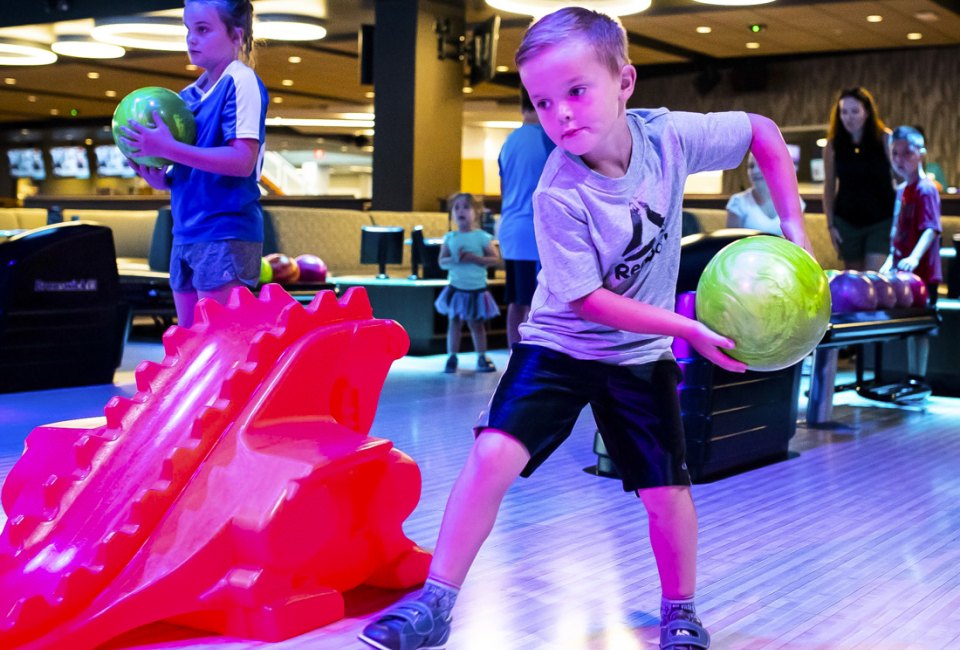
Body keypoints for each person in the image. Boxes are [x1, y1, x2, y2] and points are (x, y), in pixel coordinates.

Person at [359, 7, 812, 650]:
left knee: (665, 490)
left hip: (640, 353)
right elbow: (590, 304)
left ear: (624, 82)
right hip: (561, 343)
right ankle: (435, 603)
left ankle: (680, 610)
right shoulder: (557, 193)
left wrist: (793, 231)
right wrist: (689, 327)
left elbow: (763, 132)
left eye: (576, 91)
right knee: (492, 454)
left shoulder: (670, 138)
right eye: (543, 102)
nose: (561, 114)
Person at [117, 0, 268, 328]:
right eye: (188, 29)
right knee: (188, 346)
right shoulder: (185, 97)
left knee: (219, 347)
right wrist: (163, 179)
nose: (191, 39)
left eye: (202, 29)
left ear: (236, 35)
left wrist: (169, 148)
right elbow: (191, 167)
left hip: (226, 231)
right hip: (185, 231)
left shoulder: (241, 82)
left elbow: (243, 160)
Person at [879, 125, 942, 387]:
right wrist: (888, 261)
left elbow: (931, 228)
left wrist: (915, 258)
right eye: (895, 153)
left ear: (920, 154)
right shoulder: (901, 191)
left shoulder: (926, 189)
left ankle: (918, 375)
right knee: (908, 324)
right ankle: (908, 376)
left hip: (923, 273)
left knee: (920, 328)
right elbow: (897, 231)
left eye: (907, 153)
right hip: (902, 271)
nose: (900, 159)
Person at [497, 86, 555, 347]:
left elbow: (504, 191)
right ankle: (532, 358)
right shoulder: (549, 138)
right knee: (537, 303)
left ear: (522, 107)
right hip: (535, 233)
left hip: (510, 230)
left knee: (517, 300)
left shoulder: (509, 142)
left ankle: (514, 357)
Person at [822, 86, 895, 271]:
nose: (849, 117)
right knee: (854, 282)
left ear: (867, 112)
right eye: (844, 112)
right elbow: (829, 187)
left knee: (873, 278)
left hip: (881, 219)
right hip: (846, 221)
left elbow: (900, 178)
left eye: (855, 111)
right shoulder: (833, 145)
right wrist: (830, 226)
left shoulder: (885, 139)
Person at [435, 192, 502, 374]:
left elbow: (494, 259)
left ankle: (481, 355)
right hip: (456, 288)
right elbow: (442, 262)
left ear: (476, 212)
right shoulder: (450, 238)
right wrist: (456, 259)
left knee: (476, 324)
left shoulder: (481, 237)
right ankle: (451, 356)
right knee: (454, 322)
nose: (461, 211)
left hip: (476, 289)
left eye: (466, 207)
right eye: (457, 208)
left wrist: (475, 258)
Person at [726, 153, 806, 235]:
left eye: (760, 164)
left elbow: (800, 240)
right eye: (751, 166)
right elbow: (731, 243)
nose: (754, 171)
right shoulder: (738, 202)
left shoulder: (793, 201)